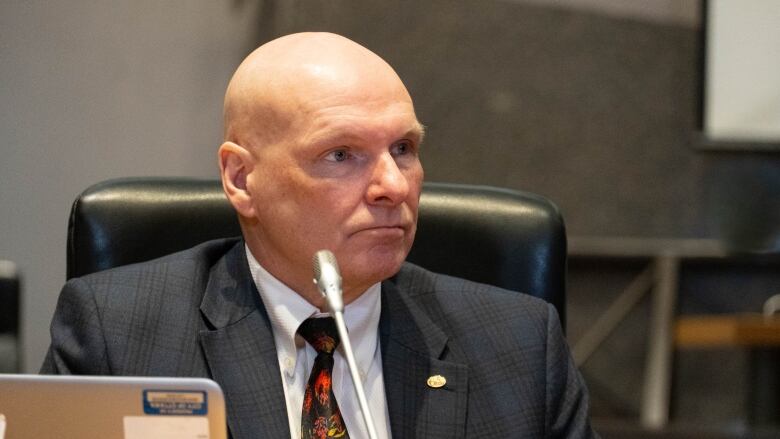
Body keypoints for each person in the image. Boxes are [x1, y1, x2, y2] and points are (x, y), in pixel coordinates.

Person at [42, 32, 597, 438]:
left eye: (403, 148)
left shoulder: (521, 345)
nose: (391, 185)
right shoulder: (117, 334)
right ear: (241, 179)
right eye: (341, 155)